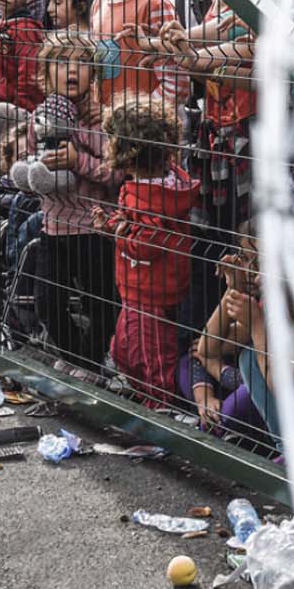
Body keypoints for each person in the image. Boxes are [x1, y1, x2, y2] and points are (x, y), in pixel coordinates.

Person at [10, 34, 119, 366]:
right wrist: (32, 172)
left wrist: (78, 162)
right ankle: (77, 357)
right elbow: (34, 160)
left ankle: (91, 364)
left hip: (95, 229)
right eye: (61, 63)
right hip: (54, 227)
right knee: (47, 303)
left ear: (95, 74)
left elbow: (117, 175)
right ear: (45, 74)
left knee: (101, 303)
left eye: (82, 63)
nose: (72, 70)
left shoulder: (103, 122)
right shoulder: (40, 119)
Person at [100, 99, 198, 399]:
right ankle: (147, 398)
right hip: (141, 286)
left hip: (148, 289)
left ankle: (161, 408)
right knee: (123, 351)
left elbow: (145, 245)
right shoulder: (165, 182)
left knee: (153, 357)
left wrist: (115, 230)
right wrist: (118, 221)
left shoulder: (150, 195)